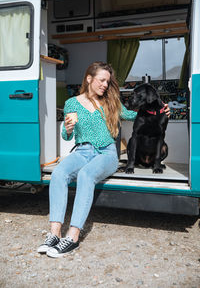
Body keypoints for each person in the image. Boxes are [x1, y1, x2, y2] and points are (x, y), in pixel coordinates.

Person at [37, 61, 170, 258]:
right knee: (58, 174)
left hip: (106, 154)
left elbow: (135, 115)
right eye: (102, 80)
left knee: (86, 175)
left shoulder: (111, 101)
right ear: (89, 79)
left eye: (107, 81)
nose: (105, 85)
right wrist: (68, 128)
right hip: (82, 151)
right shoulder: (71, 104)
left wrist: (161, 111)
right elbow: (66, 135)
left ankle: (72, 237)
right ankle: (54, 234)